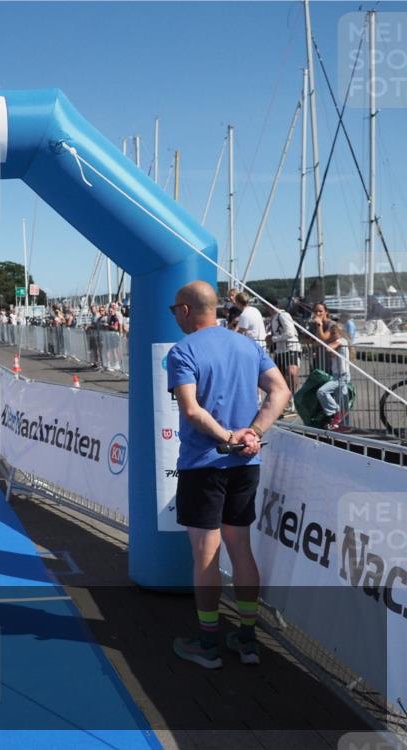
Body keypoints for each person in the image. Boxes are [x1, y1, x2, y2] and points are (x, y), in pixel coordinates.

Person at [166, 282, 290, 669]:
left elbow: (191, 410)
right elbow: (281, 391)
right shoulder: (247, 345)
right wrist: (253, 432)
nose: (174, 316)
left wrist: (229, 438)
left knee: (206, 555)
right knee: (241, 549)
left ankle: (208, 643)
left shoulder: (183, 350)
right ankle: (247, 639)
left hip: (205, 464)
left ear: (186, 310)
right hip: (245, 465)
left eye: (174, 309)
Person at [316, 321, 352, 432]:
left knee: (322, 392)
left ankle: (337, 412)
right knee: (343, 401)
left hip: (342, 375)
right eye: (331, 333)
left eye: (334, 333)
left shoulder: (342, 341)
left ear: (340, 333)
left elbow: (328, 348)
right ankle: (344, 425)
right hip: (337, 375)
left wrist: (325, 341)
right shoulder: (338, 343)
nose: (332, 335)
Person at [266, 299, 301, 413]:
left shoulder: (283, 315)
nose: (267, 309)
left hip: (291, 348)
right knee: (280, 378)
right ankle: (286, 401)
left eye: (268, 306)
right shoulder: (273, 318)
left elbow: (290, 333)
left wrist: (274, 339)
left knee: (291, 373)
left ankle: (293, 399)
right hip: (280, 350)